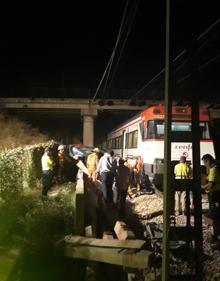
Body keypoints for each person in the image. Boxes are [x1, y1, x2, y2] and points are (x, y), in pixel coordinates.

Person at [201, 154, 220, 250]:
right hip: (216, 195)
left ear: (208, 160)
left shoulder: (213, 170)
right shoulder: (215, 168)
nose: (204, 164)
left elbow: (210, 186)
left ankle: (218, 240)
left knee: (216, 218)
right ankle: (216, 237)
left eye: (205, 162)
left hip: (216, 196)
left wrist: (202, 187)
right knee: (216, 217)